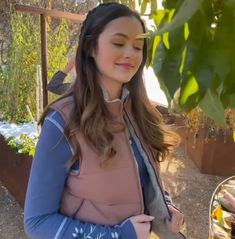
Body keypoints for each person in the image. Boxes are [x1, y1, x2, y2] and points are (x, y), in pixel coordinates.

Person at [24, 3, 185, 239]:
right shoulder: (63, 123)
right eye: (119, 43)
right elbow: (37, 222)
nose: (130, 53)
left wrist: (165, 207)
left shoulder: (141, 113)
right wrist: (120, 235)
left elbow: (142, 178)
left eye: (138, 46)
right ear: (90, 47)